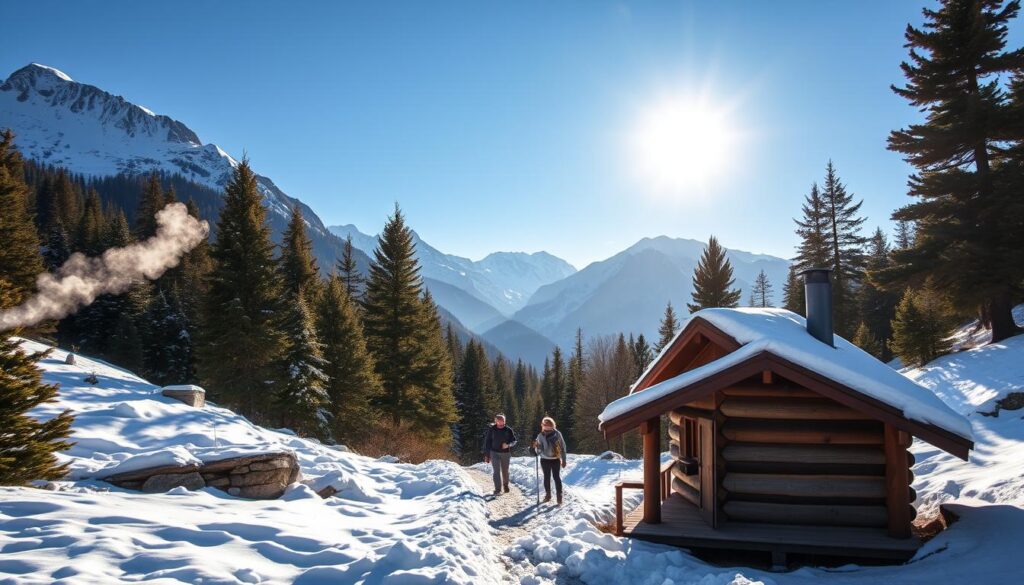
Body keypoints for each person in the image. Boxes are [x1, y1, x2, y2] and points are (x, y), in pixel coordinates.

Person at [531, 416, 567, 505]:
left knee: (556, 477)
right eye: (545, 425)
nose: (547, 426)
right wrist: (536, 447)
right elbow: (539, 451)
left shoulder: (557, 433)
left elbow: (563, 446)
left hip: (555, 459)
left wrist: (564, 459)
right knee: (546, 477)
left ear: (552, 425)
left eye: (549, 425)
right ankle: (548, 495)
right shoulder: (540, 435)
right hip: (545, 460)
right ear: (543, 425)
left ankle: (559, 496)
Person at [482, 413, 517, 495]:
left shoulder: (508, 430)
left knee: (505, 471)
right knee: (496, 471)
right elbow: (488, 442)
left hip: (505, 453)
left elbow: (514, 441)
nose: (501, 422)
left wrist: (508, 445)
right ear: (496, 421)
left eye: (503, 421)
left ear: (504, 421)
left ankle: (505, 485)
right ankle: (497, 489)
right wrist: (487, 455)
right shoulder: (492, 429)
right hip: (494, 453)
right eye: (499, 421)